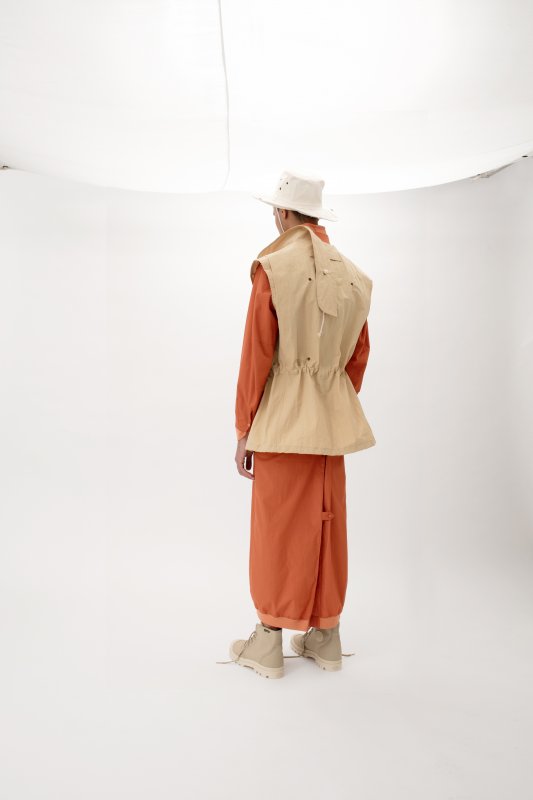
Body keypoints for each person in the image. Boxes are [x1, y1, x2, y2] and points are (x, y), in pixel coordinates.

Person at [216, 170, 375, 679]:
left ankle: (268, 641)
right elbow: (358, 358)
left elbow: (256, 354)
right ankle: (326, 637)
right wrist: (327, 404)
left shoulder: (273, 266)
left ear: (283, 213)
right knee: (327, 523)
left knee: (278, 527)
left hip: (283, 422)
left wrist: (244, 426)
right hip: (331, 424)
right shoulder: (355, 277)